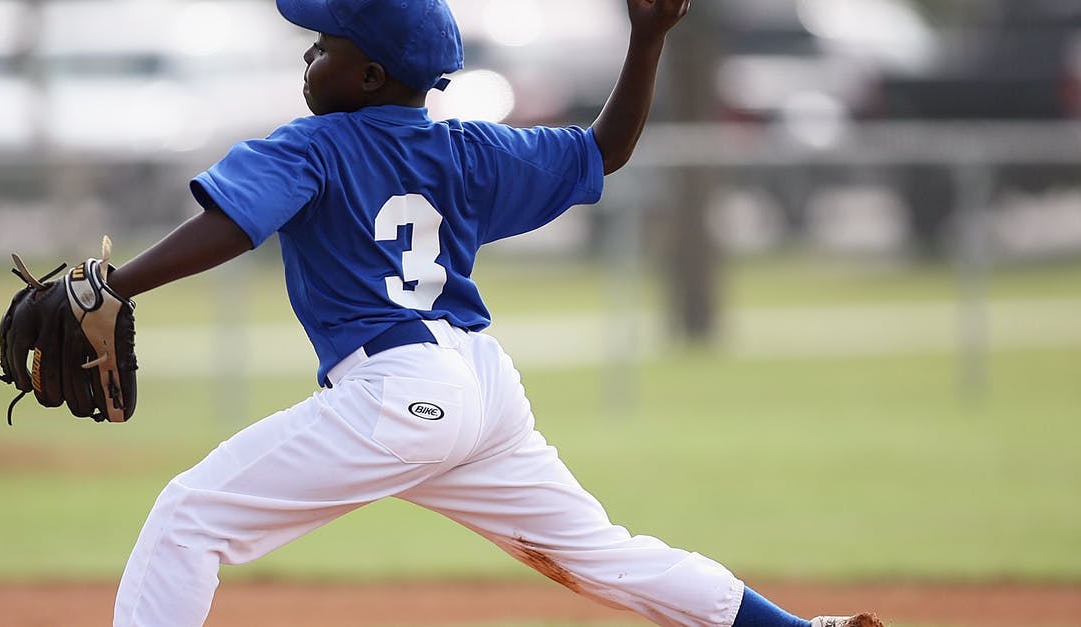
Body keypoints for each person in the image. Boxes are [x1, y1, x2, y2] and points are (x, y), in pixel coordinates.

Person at [107, 0, 884, 625]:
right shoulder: (471, 151)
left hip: (396, 393)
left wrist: (116, 286)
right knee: (601, 553)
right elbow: (604, 149)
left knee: (189, 519)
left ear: (370, 75)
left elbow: (233, 224)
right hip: (483, 387)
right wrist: (646, 38)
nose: (308, 56)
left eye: (324, 44)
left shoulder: (314, 146)